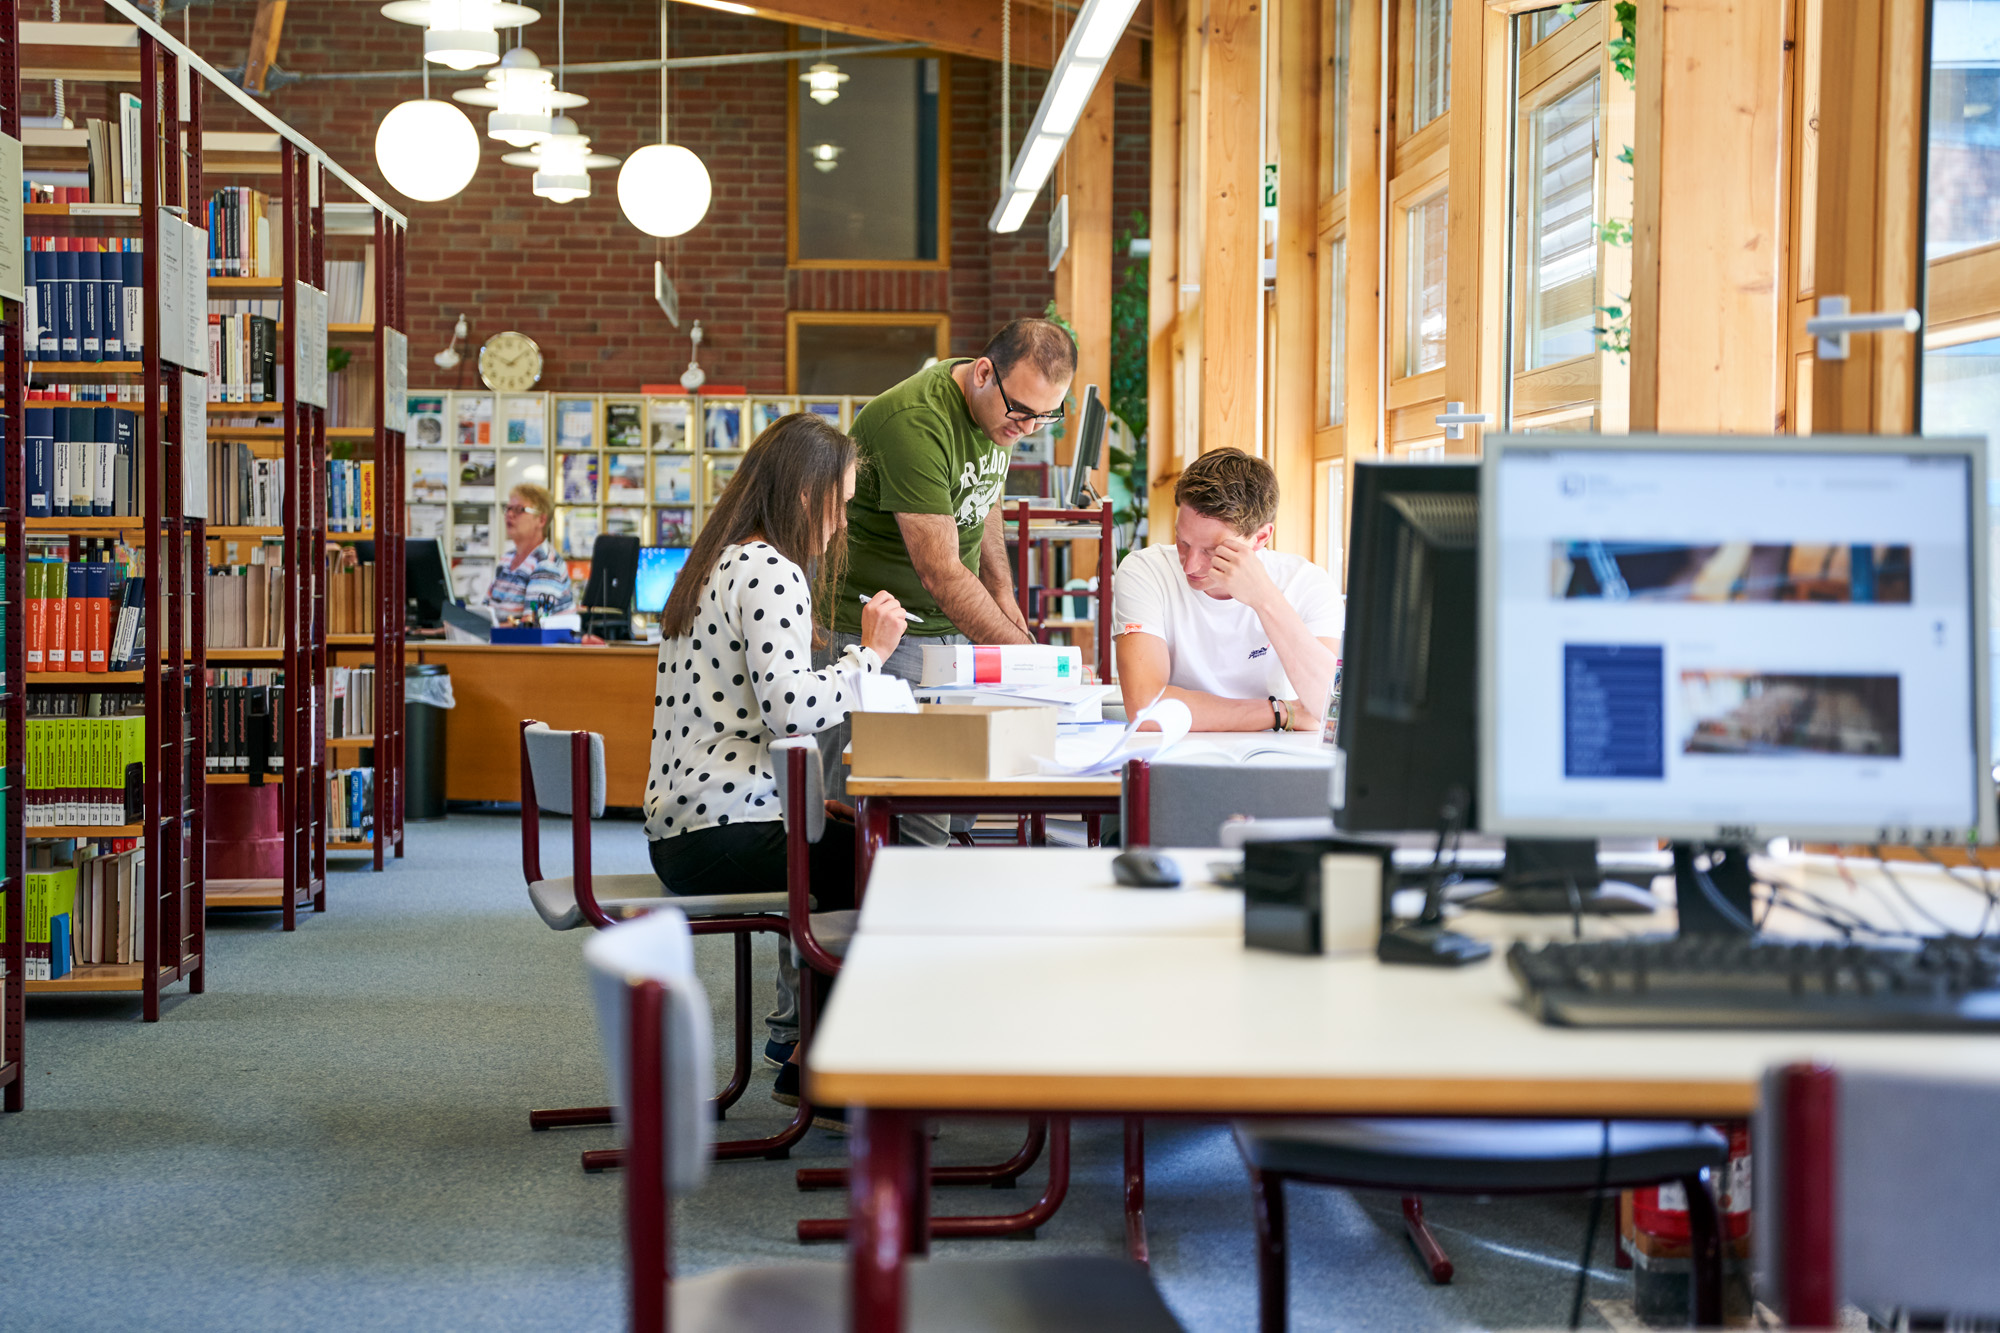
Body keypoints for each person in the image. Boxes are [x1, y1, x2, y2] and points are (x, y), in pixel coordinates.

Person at [643, 412, 907, 1119]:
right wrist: (870, 656)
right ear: (804, 494)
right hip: (719, 833)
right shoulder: (770, 569)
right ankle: (829, 1058)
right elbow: (791, 708)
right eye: (840, 503)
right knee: (879, 864)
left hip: (687, 830)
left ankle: (810, 1051)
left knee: (850, 847)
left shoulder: (717, 559)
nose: (841, 523)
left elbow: (749, 713)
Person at [818, 318, 1076, 838]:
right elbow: (939, 571)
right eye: (1022, 413)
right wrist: (1030, 660)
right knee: (883, 822)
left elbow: (984, 496)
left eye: (1044, 417)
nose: (1026, 429)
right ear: (984, 372)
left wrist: (1004, 596)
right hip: (873, 631)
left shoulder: (999, 411)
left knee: (953, 808)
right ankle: (852, 920)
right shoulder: (915, 421)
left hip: (947, 632)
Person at [1113, 447, 1344, 731]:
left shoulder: (1308, 585)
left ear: (1260, 537)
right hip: (1177, 754)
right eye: (1182, 542)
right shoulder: (1146, 571)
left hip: (1277, 758)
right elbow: (1146, 708)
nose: (1189, 567)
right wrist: (1282, 712)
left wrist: (1264, 599)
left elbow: (1331, 708)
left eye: (1212, 551)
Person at [488, 483, 576, 623]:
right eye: (508, 508)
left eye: (519, 510)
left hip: (532, 644)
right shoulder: (506, 560)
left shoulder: (546, 565)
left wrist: (485, 631)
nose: (509, 514)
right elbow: (485, 613)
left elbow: (532, 624)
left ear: (541, 520)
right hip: (499, 642)